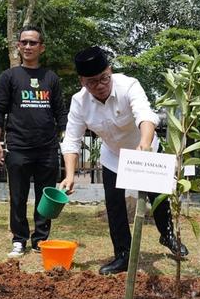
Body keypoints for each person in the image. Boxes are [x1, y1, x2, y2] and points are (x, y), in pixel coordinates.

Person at [59, 46, 188, 275]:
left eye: (103, 78)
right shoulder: (79, 102)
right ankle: (123, 254)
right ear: (82, 81)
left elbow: (146, 115)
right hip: (113, 156)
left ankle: (167, 235)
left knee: (158, 198)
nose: (99, 86)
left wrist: (145, 144)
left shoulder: (129, 85)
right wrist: (69, 175)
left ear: (110, 70)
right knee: (115, 205)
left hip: (145, 149)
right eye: (91, 82)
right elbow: (71, 139)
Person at [0, 26, 67, 258]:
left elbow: (61, 114)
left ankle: (41, 240)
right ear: (18, 46)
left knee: (46, 197)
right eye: (24, 42)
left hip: (47, 149)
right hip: (18, 147)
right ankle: (19, 239)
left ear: (41, 47)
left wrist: (67, 143)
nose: (28, 46)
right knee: (18, 197)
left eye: (33, 43)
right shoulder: (9, 77)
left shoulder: (51, 78)